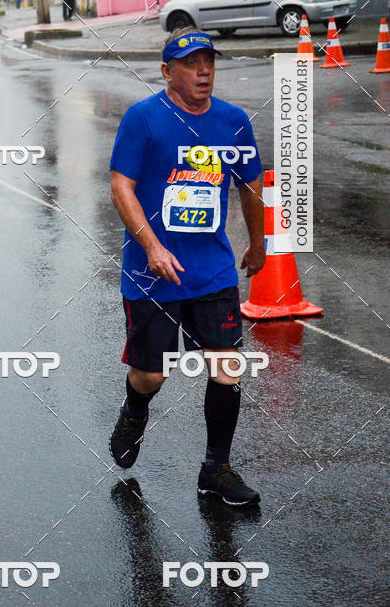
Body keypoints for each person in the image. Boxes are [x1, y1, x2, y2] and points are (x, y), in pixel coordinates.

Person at [108, 28, 266, 507]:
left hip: (212, 271)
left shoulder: (233, 122)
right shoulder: (144, 119)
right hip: (152, 272)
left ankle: (215, 469)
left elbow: (251, 186)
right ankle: (135, 409)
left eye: (209, 62)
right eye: (192, 64)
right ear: (167, 72)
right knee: (152, 375)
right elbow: (121, 187)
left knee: (227, 366)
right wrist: (153, 246)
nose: (204, 72)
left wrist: (260, 245)